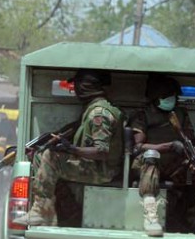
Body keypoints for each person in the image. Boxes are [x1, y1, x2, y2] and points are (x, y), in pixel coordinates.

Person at [13, 69, 124, 227]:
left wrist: (73, 150)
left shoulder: (99, 114)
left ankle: (42, 212)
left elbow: (102, 151)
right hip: (96, 166)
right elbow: (78, 130)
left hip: (101, 170)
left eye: (77, 85)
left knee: (51, 158)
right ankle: (61, 210)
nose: (75, 90)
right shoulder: (93, 109)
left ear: (86, 86)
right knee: (41, 156)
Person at [129, 74, 195, 236]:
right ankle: (150, 214)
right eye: (166, 96)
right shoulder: (143, 115)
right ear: (155, 98)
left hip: (175, 166)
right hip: (147, 165)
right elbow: (138, 146)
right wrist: (168, 146)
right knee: (151, 156)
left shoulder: (179, 115)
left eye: (173, 96)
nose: (171, 99)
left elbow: (192, 140)